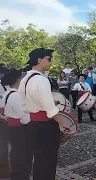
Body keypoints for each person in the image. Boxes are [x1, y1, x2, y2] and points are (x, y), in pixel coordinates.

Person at [18, 48, 71, 180]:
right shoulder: (41, 80)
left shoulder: (25, 79)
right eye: (49, 59)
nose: (50, 62)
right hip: (46, 125)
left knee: (39, 160)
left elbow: (23, 103)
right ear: (39, 60)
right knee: (48, 161)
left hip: (33, 124)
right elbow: (50, 109)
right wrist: (64, 124)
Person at [1, 69, 32, 180]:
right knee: (23, 153)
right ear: (18, 80)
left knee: (16, 152)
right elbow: (24, 115)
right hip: (20, 128)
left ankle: (17, 174)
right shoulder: (15, 95)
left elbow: (3, 111)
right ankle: (21, 176)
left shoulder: (7, 93)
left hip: (13, 127)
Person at [0, 65, 9, 178]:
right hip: (2, 118)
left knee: (4, 146)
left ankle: (4, 170)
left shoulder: (6, 86)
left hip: (6, 118)